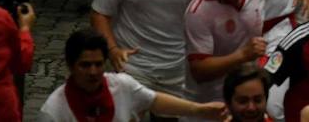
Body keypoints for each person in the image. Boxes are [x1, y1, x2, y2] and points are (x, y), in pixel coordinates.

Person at [38, 28, 229, 121]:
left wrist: (199, 109)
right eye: (85, 65)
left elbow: (154, 100)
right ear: (71, 66)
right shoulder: (53, 111)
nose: (93, 72)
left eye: (98, 64)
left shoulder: (122, 86)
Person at [182, 0, 268, 105]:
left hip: (246, 99)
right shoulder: (198, 12)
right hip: (209, 104)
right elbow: (199, 71)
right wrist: (242, 55)